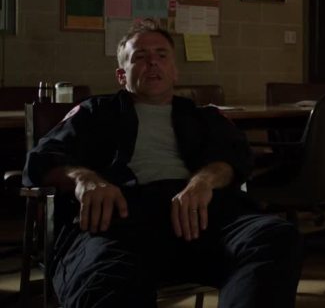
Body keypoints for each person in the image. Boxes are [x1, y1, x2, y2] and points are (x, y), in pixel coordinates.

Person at [23, 20, 302, 308]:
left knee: (274, 237)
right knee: (104, 277)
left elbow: (236, 156)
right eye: (140, 57)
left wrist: (203, 182)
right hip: (119, 220)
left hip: (199, 215)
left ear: (174, 71)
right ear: (121, 75)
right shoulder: (94, 113)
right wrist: (84, 178)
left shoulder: (203, 117)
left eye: (161, 55)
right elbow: (42, 158)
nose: (152, 62)